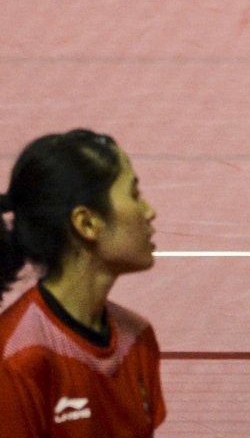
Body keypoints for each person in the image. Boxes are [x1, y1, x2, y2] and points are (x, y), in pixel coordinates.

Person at [0, 129, 164, 436]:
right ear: (86, 223)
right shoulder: (15, 360)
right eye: (133, 194)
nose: (149, 212)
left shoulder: (138, 339)